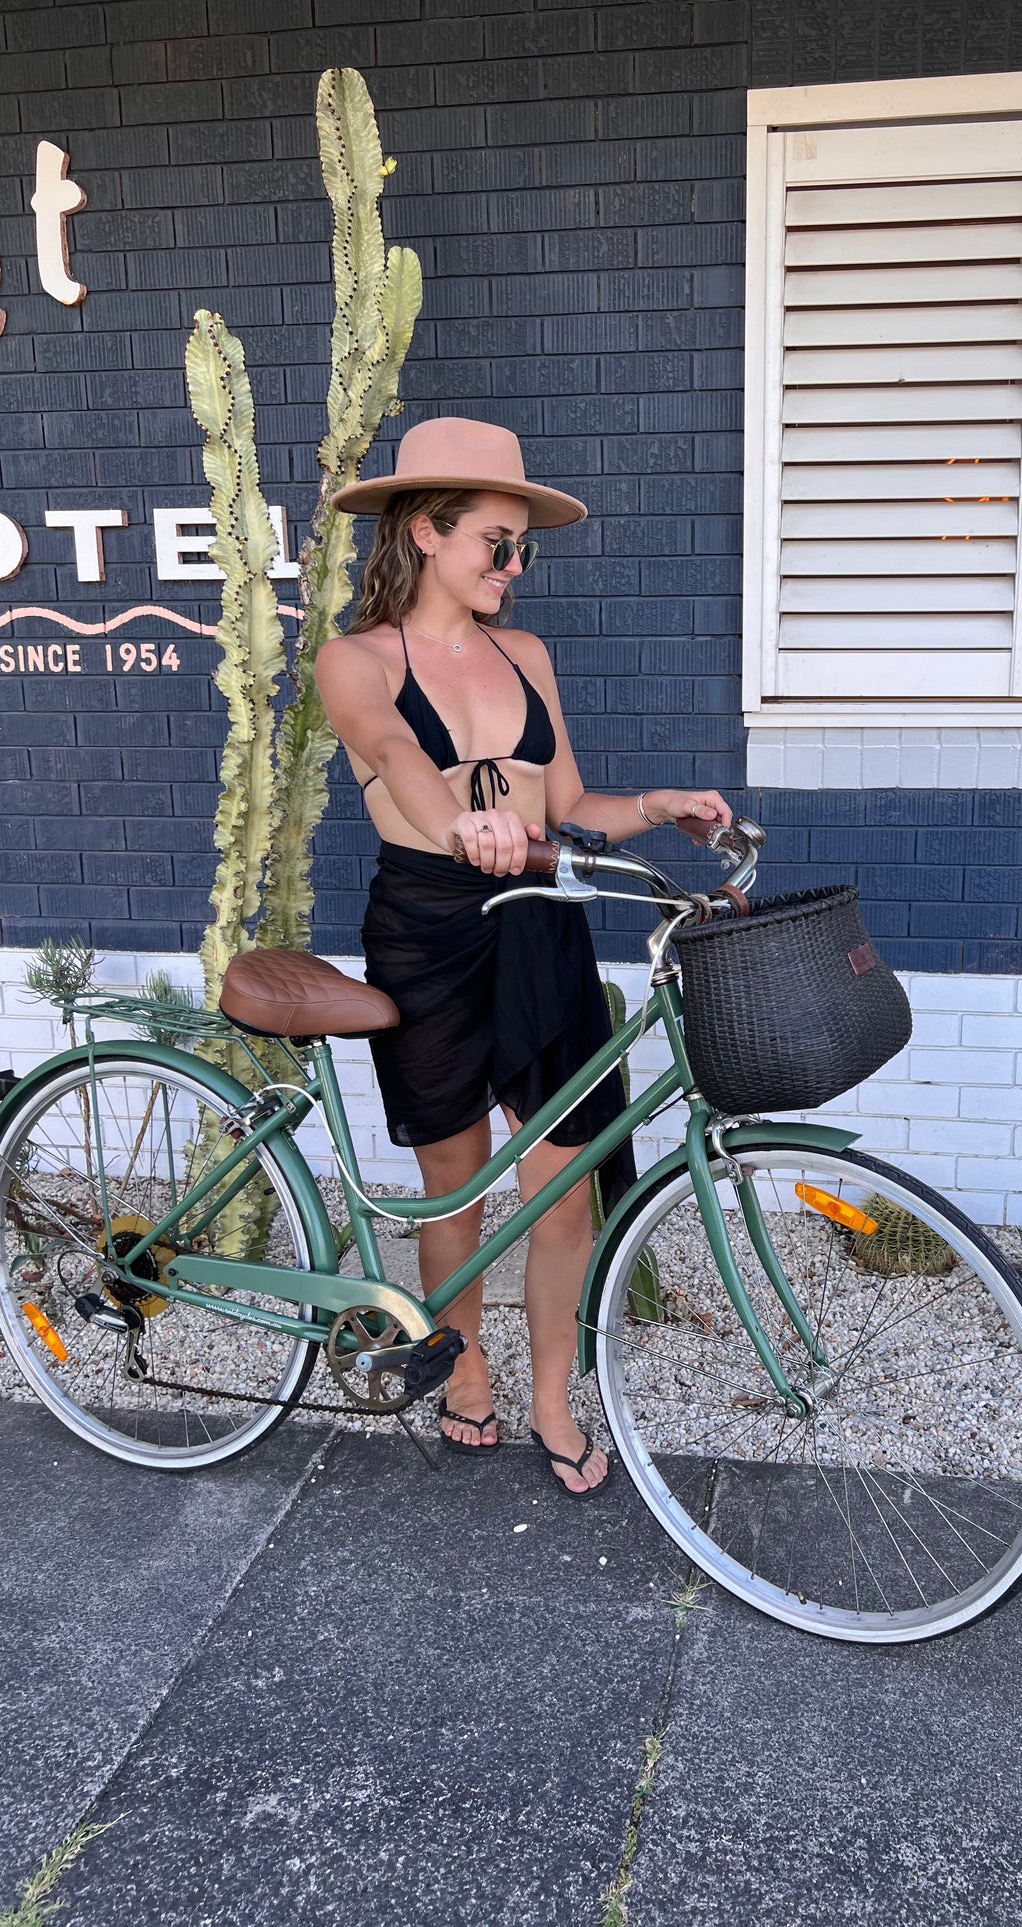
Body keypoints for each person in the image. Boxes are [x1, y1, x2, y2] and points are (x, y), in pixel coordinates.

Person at [318, 418, 731, 1495]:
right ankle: (462, 1372)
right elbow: (398, 758)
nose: (510, 566)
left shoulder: (527, 655)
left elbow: (567, 804)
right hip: (431, 929)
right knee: (451, 1185)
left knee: (563, 1190)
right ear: (424, 532)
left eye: (519, 549)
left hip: (541, 921)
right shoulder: (355, 659)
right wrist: (461, 827)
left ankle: (552, 1396)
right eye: (493, 544)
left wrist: (657, 805)